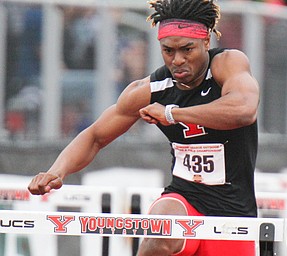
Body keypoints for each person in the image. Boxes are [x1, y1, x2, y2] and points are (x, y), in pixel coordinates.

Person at [28, 0, 260, 255]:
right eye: (168, 50)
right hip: (185, 198)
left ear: (206, 41)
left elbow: (243, 110)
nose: (178, 60)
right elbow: (95, 136)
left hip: (234, 213)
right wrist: (57, 171)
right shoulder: (150, 90)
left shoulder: (227, 65)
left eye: (187, 49)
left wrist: (172, 113)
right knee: (159, 230)